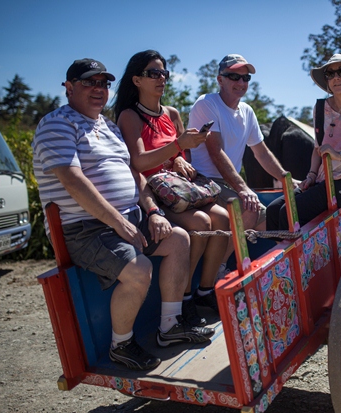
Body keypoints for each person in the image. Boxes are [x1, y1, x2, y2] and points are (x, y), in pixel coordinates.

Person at [32, 58, 215, 372]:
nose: (98, 89)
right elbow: (72, 180)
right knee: (138, 269)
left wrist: (153, 211)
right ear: (69, 87)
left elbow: (135, 175)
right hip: (86, 227)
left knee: (180, 239)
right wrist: (118, 222)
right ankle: (121, 345)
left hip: (129, 217)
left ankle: (169, 326)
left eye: (104, 83)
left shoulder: (109, 126)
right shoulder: (57, 123)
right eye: (89, 82)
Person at [114, 50, 229, 320]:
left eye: (163, 73)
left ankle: (205, 289)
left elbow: (180, 155)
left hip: (178, 189)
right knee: (201, 222)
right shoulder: (130, 117)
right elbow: (139, 162)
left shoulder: (171, 113)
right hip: (153, 194)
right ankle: (186, 296)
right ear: (136, 80)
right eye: (153, 73)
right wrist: (177, 146)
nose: (161, 78)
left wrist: (179, 159)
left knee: (222, 217)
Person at [266, 54, 341, 230]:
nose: (336, 77)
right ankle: (285, 257)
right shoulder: (321, 108)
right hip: (324, 180)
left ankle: (298, 256)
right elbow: (318, 149)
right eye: (330, 74)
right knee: (273, 210)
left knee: (288, 213)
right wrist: (311, 176)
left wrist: (340, 155)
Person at [187, 54, 295, 236]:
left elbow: (261, 152)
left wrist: (286, 179)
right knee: (250, 209)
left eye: (246, 78)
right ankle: (221, 265)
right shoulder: (206, 104)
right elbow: (216, 152)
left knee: (276, 226)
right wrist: (243, 188)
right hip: (205, 181)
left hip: (228, 184)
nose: (241, 82)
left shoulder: (247, 111)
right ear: (220, 80)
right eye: (234, 76)